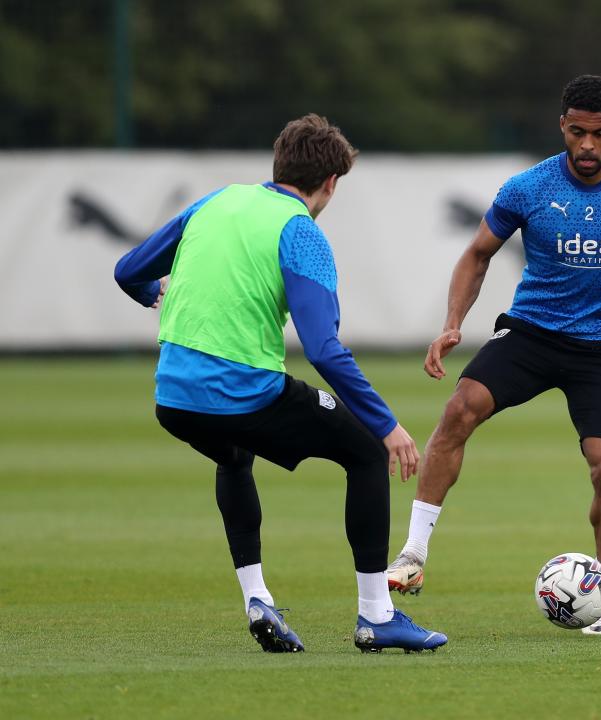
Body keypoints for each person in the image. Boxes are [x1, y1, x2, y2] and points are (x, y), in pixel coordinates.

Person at [114, 114, 446, 654]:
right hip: (245, 393)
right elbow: (323, 349)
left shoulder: (218, 201)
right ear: (331, 183)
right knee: (365, 450)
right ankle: (377, 616)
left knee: (233, 456)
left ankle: (257, 599)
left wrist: (156, 293)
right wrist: (387, 425)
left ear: (278, 163)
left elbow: (128, 270)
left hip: (172, 397)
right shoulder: (301, 231)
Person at [387, 75, 601, 636]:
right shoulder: (528, 188)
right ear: (562, 126)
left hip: (600, 347)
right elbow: (477, 254)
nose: (587, 145)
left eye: (599, 134)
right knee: (459, 410)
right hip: (530, 333)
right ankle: (413, 554)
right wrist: (453, 324)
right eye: (576, 132)